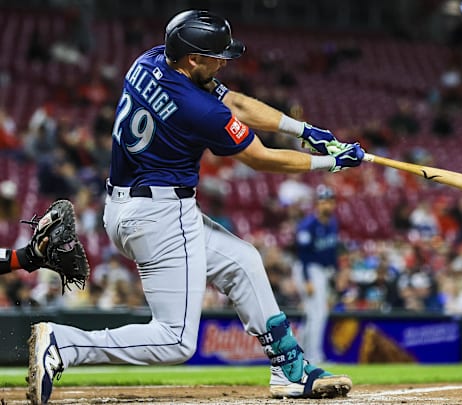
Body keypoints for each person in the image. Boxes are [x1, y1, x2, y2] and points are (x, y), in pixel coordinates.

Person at [26, 10, 363, 404]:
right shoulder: (197, 109)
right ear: (191, 59)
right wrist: (330, 163)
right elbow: (259, 157)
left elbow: (235, 102)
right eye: (215, 56)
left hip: (128, 206)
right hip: (160, 216)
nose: (223, 62)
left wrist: (305, 132)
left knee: (244, 263)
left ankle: (289, 369)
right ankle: (64, 345)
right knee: (175, 340)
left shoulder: (148, 60)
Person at [292, 185, 340, 363]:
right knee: (317, 314)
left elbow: (332, 253)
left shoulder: (333, 223)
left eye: (329, 201)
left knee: (314, 315)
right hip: (308, 270)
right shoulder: (308, 225)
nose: (326, 205)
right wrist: (307, 280)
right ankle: (314, 357)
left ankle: (300, 356)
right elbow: (302, 255)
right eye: (322, 201)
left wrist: (336, 274)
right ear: (317, 204)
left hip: (322, 272)